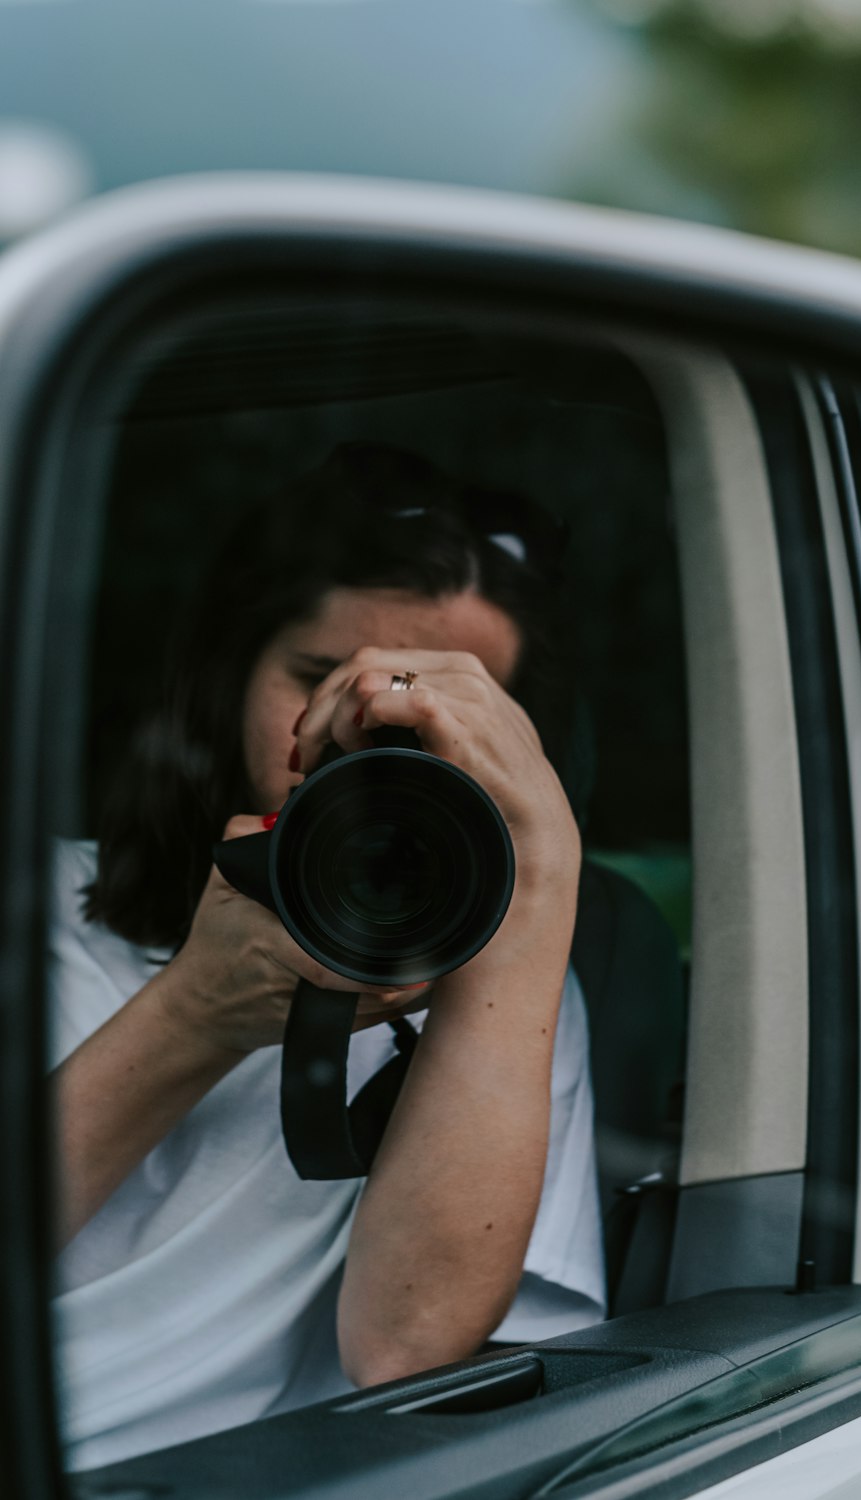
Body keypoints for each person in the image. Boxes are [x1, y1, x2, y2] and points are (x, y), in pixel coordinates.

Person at [48, 444, 606, 1472]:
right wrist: (196, 1012)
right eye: (318, 679)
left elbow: (404, 1353)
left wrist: (534, 876)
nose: (368, 727)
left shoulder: (510, 972)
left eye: (443, 715)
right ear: (222, 678)